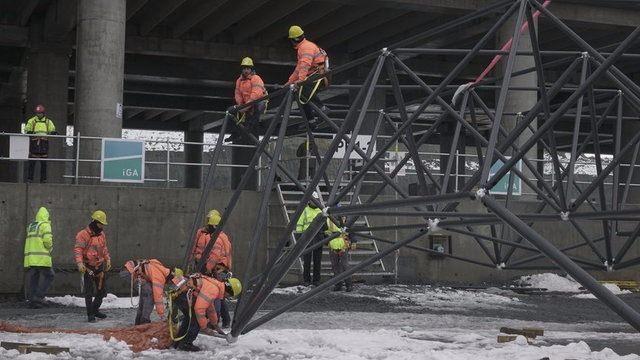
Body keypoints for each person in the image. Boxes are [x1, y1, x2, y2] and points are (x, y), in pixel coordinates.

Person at [173, 274, 242, 352]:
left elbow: (210, 308)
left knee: (190, 317)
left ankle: (178, 342)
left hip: (181, 292)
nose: (227, 297)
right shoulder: (214, 290)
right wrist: (204, 328)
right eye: (230, 295)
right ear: (229, 292)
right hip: (183, 294)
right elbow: (199, 309)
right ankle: (186, 343)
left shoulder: (215, 287)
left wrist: (215, 325)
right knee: (197, 318)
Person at [285, 25, 329, 125]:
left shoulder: (305, 48)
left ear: (292, 40)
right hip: (317, 73)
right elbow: (299, 68)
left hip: (320, 74)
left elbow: (305, 65)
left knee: (303, 90)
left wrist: (301, 80)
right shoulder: (304, 46)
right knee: (300, 94)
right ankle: (311, 121)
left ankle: (323, 109)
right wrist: (290, 82)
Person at [74, 210, 111, 322]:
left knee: (102, 291)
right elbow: (78, 250)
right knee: (89, 292)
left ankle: (95, 310)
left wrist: (108, 259)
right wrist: (80, 263)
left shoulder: (101, 235)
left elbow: (104, 249)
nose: (102, 226)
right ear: (95, 222)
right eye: (100, 224)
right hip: (88, 267)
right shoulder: (83, 235)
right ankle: (90, 314)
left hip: (99, 266)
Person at [122, 259, 178, 325]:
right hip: (130, 272)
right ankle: (144, 321)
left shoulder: (159, 267)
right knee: (150, 295)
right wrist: (162, 315)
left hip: (127, 269)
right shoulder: (159, 277)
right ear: (170, 280)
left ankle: (138, 321)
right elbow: (158, 298)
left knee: (145, 295)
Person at [227, 57, 268, 142]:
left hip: (258, 102)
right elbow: (238, 94)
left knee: (255, 111)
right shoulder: (239, 80)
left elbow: (256, 94)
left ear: (251, 69)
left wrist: (246, 106)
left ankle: (249, 130)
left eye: (248, 68)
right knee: (231, 111)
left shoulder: (256, 78)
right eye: (244, 68)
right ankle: (235, 133)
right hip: (247, 104)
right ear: (242, 70)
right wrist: (240, 105)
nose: (246, 70)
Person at [23, 206, 55, 308]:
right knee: (50, 275)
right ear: (46, 216)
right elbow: (48, 241)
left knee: (34, 278)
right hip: (41, 258)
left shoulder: (32, 226)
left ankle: (32, 300)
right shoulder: (45, 225)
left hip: (31, 258)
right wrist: (50, 248)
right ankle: (39, 296)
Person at [296, 191, 324, 286]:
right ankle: (306, 280)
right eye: (312, 200)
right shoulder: (305, 210)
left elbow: (325, 225)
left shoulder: (321, 211)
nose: (313, 201)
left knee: (317, 260)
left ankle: (316, 280)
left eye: (315, 200)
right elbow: (300, 224)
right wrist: (300, 237)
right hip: (307, 237)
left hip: (318, 236)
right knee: (307, 260)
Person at [24, 104, 57, 183]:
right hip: (34, 142)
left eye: (40, 113)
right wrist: (29, 131)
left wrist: (53, 132)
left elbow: (52, 129)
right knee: (32, 162)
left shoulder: (48, 122)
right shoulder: (32, 121)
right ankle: (30, 179)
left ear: (43, 113)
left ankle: (43, 180)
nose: (38, 114)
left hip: (44, 143)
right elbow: (26, 129)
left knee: (44, 163)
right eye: (37, 113)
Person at [327, 216, 353, 292]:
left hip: (343, 247)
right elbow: (325, 232)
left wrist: (353, 241)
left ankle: (348, 284)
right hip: (333, 246)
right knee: (335, 266)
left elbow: (351, 232)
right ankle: (338, 284)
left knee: (345, 266)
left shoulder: (345, 222)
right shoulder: (329, 221)